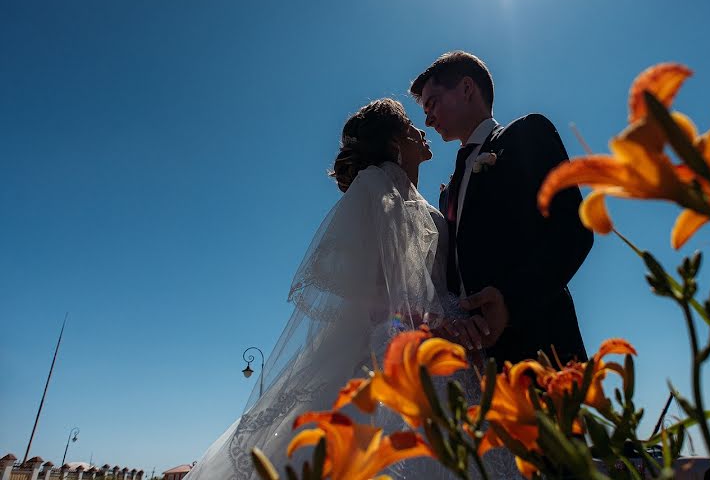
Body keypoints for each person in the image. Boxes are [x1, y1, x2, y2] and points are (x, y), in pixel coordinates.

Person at [185, 98, 515, 480]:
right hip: (400, 348)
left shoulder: (423, 201)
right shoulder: (377, 187)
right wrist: (433, 323)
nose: (421, 131)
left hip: (443, 342)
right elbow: (373, 291)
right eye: (410, 125)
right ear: (394, 143)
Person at [410, 51, 593, 365]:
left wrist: (510, 303)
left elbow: (574, 230)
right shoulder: (448, 192)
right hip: (476, 366)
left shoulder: (526, 135)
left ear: (467, 88)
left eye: (433, 103)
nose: (427, 119)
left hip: (543, 348)